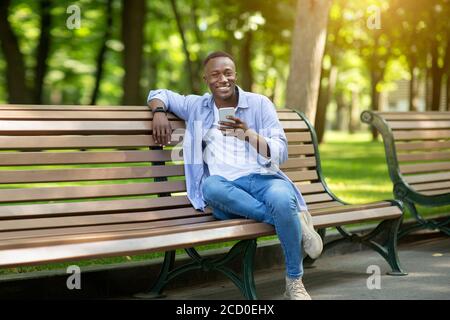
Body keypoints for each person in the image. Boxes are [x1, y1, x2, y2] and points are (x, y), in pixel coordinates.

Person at [147, 51, 323, 300]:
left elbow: (281, 152)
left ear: (236, 75)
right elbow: (157, 94)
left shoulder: (259, 103)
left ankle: (294, 282)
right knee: (211, 187)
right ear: (206, 79)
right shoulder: (196, 106)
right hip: (226, 192)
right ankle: (291, 220)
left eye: (228, 73)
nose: (223, 79)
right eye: (216, 74)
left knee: (282, 199)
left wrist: (248, 134)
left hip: (264, 180)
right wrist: (159, 113)